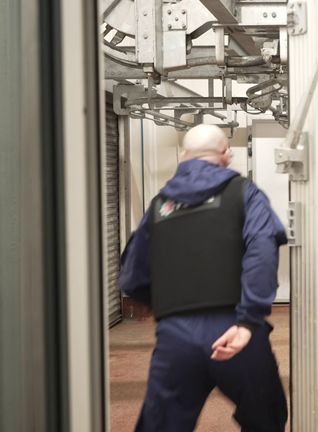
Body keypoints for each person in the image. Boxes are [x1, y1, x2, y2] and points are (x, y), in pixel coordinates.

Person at [119, 124, 288, 432]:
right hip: (235, 329)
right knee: (266, 419)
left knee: (161, 426)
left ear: (183, 156)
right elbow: (261, 252)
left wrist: (169, 310)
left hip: (175, 335)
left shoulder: (159, 205)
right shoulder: (245, 194)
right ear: (227, 155)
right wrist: (248, 321)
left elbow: (132, 275)